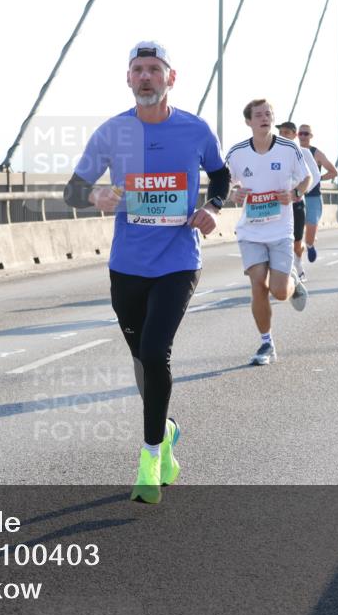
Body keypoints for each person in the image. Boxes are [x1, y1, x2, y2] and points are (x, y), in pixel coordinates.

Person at [64, 41, 229, 504]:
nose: (145, 77)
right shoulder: (112, 132)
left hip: (179, 261)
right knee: (143, 362)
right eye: (138, 69)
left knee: (157, 352)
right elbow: (72, 190)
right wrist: (94, 196)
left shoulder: (195, 129)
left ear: (170, 78)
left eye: (154, 69)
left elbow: (220, 175)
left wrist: (214, 206)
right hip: (128, 267)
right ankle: (167, 430)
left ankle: (150, 458)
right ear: (128, 78)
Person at [225, 99, 310, 366]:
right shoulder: (237, 152)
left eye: (268, 114)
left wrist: (295, 193)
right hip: (250, 231)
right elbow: (224, 183)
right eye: (259, 115)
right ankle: (266, 343)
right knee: (258, 284)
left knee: (280, 292)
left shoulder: (288, 148)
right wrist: (233, 192)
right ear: (248, 121)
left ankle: (292, 280)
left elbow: (306, 178)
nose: (265, 118)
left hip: (280, 229)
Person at [275, 121, 319, 280]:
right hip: (278, 204)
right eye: (281, 132)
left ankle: (299, 266)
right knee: (278, 240)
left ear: (294, 135)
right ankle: (283, 271)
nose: (283, 135)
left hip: (297, 203)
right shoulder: (273, 152)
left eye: (287, 133)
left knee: (297, 241)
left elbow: (315, 176)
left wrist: (299, 192)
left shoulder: (304, 152)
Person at [296, 124, 338, 257]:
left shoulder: (317, 153)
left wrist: (319, 178)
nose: (303, 136)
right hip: (297, 196)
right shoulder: (292, 151)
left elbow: (333, 172)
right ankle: (298, 254)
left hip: (313, 196)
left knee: (310, 229)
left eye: (306, 134)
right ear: (297, 135)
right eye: (301, 133)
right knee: (295, 231)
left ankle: (310, 245)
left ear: (311, 136)